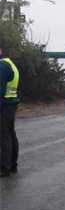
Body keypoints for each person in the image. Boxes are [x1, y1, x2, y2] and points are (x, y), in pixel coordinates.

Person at [0, 43, 20, 178]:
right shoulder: (9, 63)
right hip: (11, 103)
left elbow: (0, 89)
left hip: (4, 105)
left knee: (4, 136)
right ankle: (12, 165)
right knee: (10, 134)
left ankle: (4, 168)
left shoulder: (2, 66)